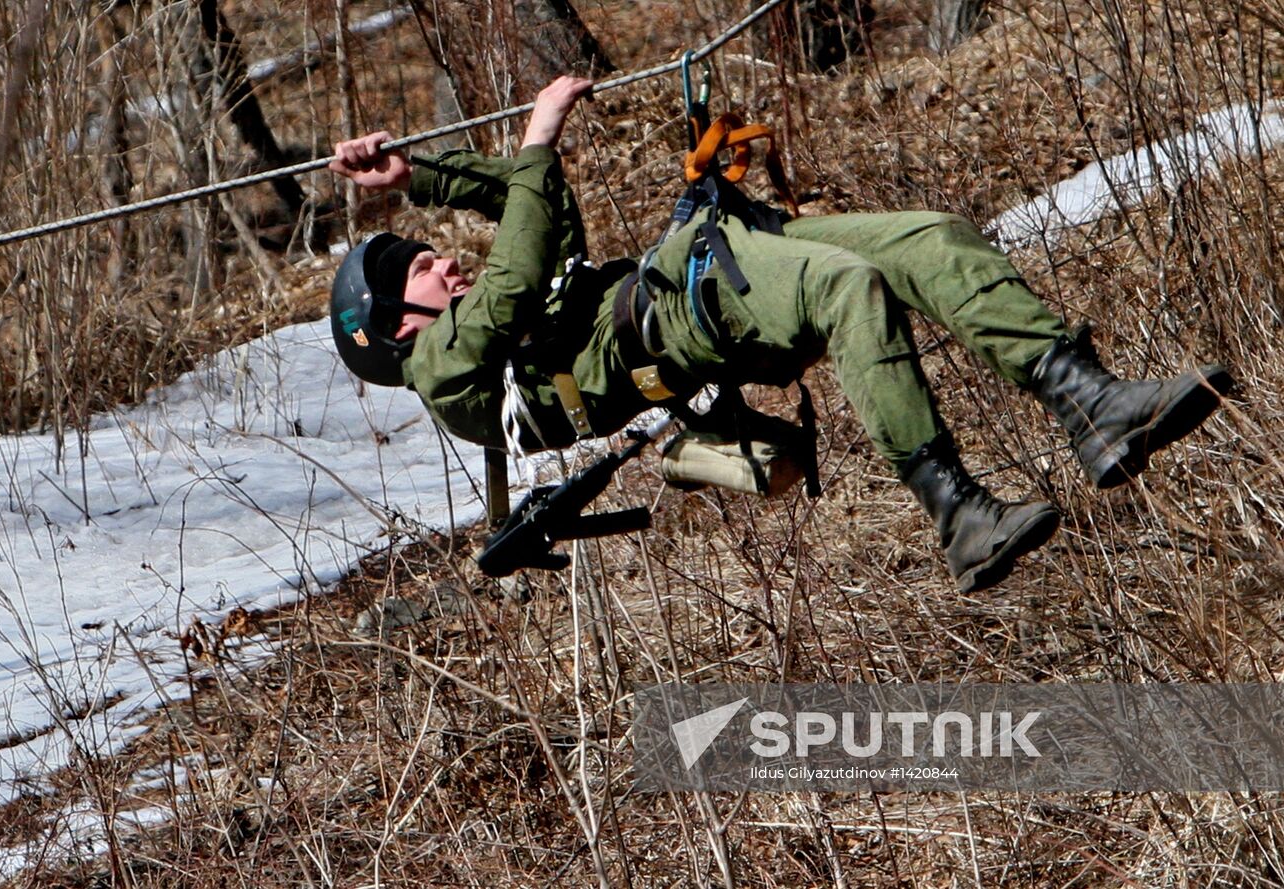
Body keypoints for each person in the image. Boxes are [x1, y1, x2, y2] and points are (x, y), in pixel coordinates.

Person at [327, 75, 1233, 592]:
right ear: (393, 329)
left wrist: (424, 178)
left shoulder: (502, 327)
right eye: (420, 269)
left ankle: (1089, 399)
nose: (446, 265)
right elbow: (522, 260)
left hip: (702, 268)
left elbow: (545, 217)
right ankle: (960, 513)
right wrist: (535, 137)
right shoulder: (449, 368)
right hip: (680, 314)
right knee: (848, 288)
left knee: (928, 240)